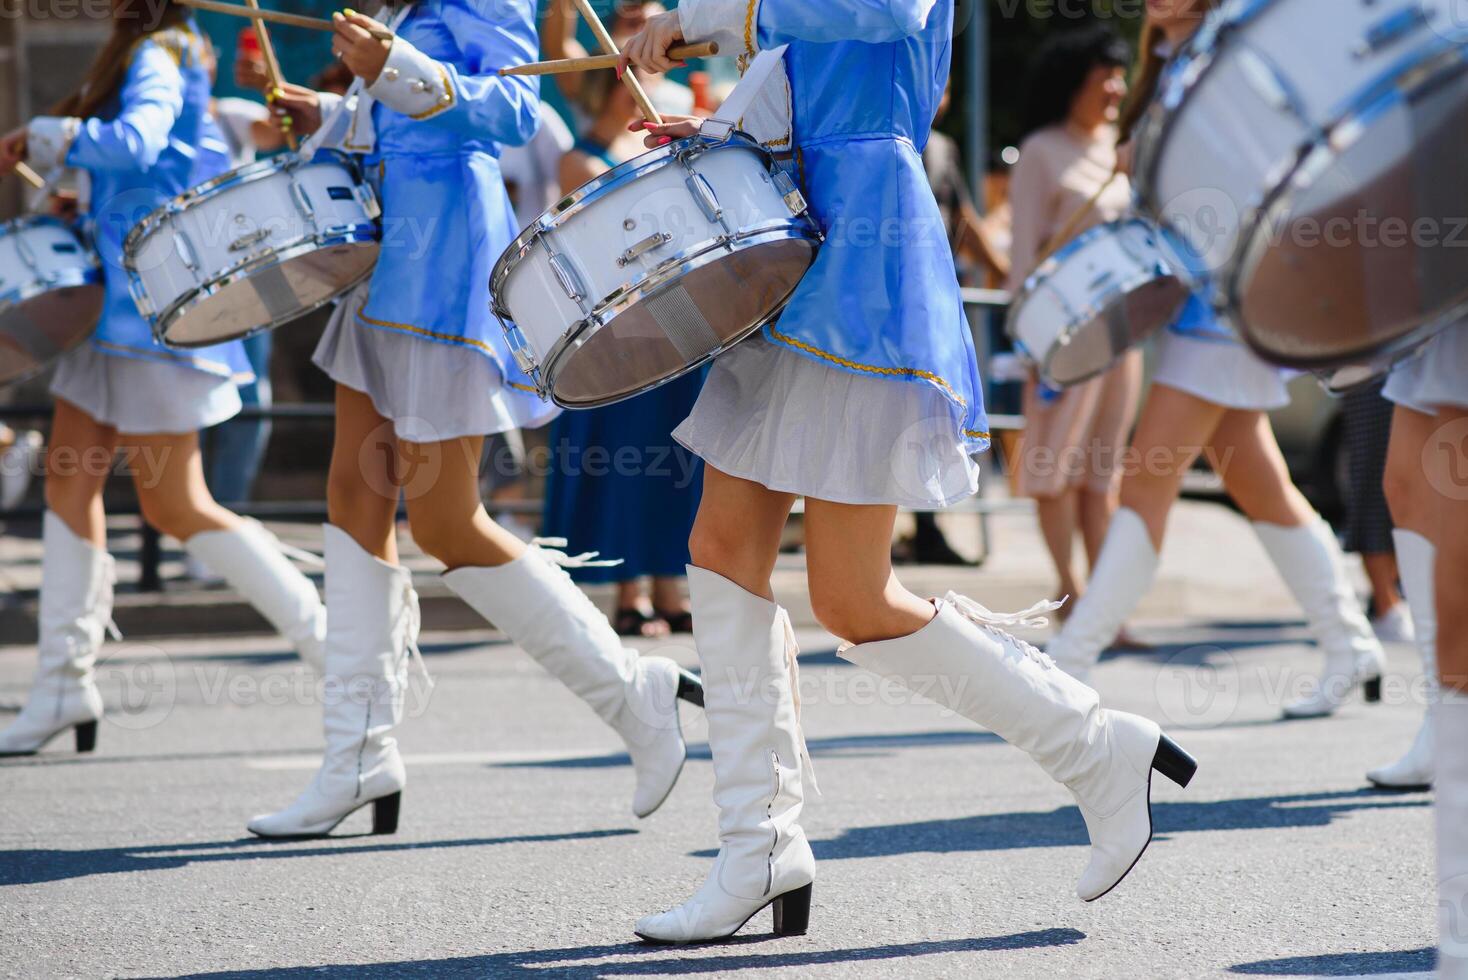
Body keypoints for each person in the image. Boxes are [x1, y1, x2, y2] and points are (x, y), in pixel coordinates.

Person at [619, 0, 1197, 944]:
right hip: (797, 237)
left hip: (860, 260)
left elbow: (881, 12)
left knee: (853, 596)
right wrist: (724, 130)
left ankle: (1096, 749)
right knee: (722, 551)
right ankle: (757, 846)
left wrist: (712, 14)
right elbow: (818, 71)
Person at [251, 0, 703, 838]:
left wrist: (396, 68)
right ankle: (358, 754)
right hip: (392, 260)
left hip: (444, 256)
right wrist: (337, 109)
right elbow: (407, 114)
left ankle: (636, 695)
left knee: (448, 521)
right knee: (353, 500)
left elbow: (514, 110)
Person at [1039, 0, 1386, 722]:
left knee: (1145, 482)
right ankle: (1350, 643)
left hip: (1229, 297)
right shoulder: (1167, 62)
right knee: (1260, 485)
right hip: (1205, 296)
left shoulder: (1225, 50)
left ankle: (1071, 666)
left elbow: (1264, 158)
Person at [0, 0, 328, 756]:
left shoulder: (161, 50)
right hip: (118, 305)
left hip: (144, 308)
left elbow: (141, 141)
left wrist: (52, 136)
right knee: (67, 482)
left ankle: (332, 641)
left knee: (176, 504)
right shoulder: (164, 47)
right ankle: (61, 687)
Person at [541, 7, 706, 637]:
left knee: (678, 451)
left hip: (681, 307)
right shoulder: (580, 160)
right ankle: (629, 591)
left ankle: (673, 584)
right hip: (622, 317)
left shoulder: (665, 137)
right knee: (624, 455)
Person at [1006, 25, 1143, 620]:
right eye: (1102, 77)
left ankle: (1105, 611)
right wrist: (1029, 339)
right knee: (1052, 468)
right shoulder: (1042, 150)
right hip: (1061, 334)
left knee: (1102, 474)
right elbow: (1021, 255)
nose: (1115, 88)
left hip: (1121, 334)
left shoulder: (1122, 149)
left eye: (1119, 76)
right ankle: (1070, 596)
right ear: (1074, 84)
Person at [1341, 380, 1414, 645]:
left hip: (1420, 358)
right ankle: (1387, 605)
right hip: (1372, 365)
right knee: (1376, 482)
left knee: (1418, 488)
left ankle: (1398, 598)